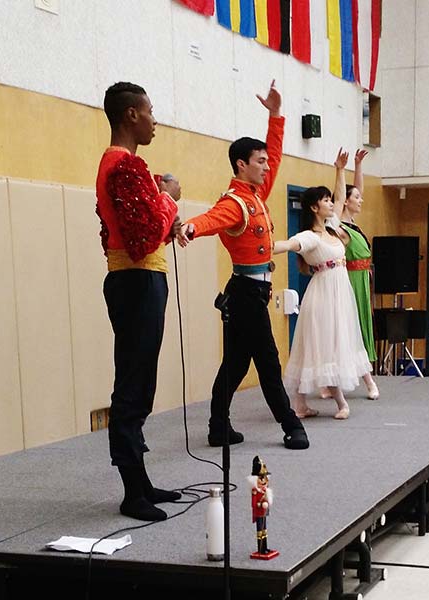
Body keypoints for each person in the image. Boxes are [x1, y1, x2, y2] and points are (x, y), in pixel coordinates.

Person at [179, 80, 308, 450]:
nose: (268, 167)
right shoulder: (236, 201)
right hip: (247, 295)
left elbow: (277, 155)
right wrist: (189, 227)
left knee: (235, 365)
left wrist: (275, 116)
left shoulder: (257, 195)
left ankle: (218, 426)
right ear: (242, 164)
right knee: (267, 361)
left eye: (266, 162)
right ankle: (291, 425)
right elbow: (211, 219)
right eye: (260, 162)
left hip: (249, 293)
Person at [96, 82, 182, 522]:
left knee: (140, 381)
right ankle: (132, 490)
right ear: (131, 115)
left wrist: (161, 205)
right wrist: (167, 198)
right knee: (133, 385)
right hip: (137, 280)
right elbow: (144, 236)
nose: (154, 119)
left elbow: (141, 228)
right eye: (149, 111)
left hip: (135, 279)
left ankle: (141, 482)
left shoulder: (122, 167)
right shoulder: (125, 166)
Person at [273, 156, 372, 420]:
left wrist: (339, 170)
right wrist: (264, 245)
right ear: (315, 207)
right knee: (322, 344)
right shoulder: (310, 236)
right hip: (323, 294)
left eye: (329, 199)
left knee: (332, 341)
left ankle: (301, 404)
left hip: (339, 292)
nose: (331, 203)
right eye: (325, 200)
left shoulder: (332, 228)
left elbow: (341, 199)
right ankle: (339, 402)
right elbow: (289, 245)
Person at [336, 149, 379, 399]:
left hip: (362, 279)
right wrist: (341, 171)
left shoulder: (352, 222)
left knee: (361, 327)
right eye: (356, 198)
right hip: (350, 280)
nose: (361, 200)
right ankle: (367, 380)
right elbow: (345, 193)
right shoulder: (340, 225)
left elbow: (356, 188)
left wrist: (358, 164)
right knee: (352, 329)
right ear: (346, 202)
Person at [248, 456, 278, 559]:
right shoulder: (255, 491)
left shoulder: (265, 490)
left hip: (264, 511)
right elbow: (254, 503)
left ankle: (265, 547)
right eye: (261, 478)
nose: (264, 481)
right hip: (259, 511)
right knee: (260, 530)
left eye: (265, 478)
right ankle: (261, 548)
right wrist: (260, 504)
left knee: (264, 530)